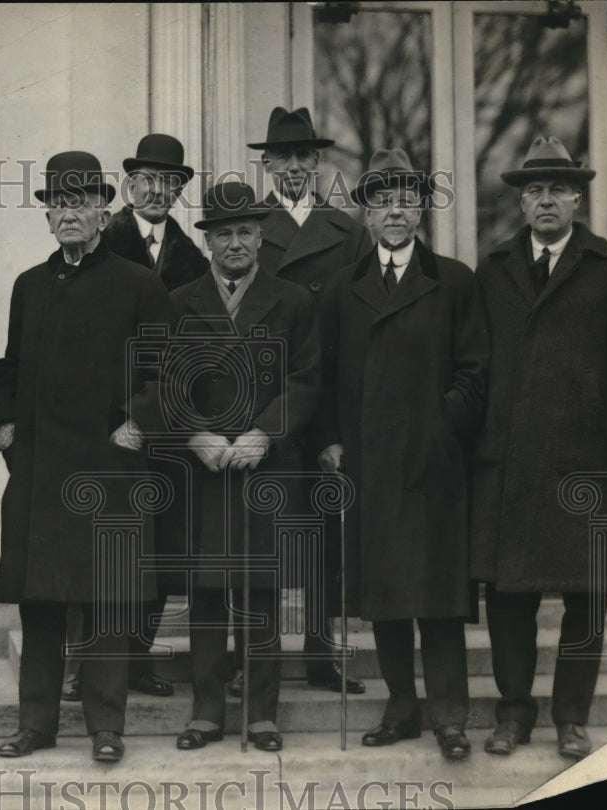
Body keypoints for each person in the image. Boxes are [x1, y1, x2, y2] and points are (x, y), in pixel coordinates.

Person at [471, 136, 607, 761]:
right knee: (508, 599)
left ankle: (572, 719)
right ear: (521, 204)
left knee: (586, 598)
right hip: (512, 466)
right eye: (534, 191)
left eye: (557, 190)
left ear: (576, 199)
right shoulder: (494, 270)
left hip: (590, 466)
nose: (545, 201)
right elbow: (473, 365)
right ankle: (513, 715)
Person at [0, 151, 175, 764]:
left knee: (107, 601)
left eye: (81, 202)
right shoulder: (29, 286)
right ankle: (36, 725)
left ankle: (106, 727)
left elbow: (166, 373)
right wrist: (7, 428)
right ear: (47, 215)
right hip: (41, 473)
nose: (69, 214)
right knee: (39, 600)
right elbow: (10, 369)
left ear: (103, 209)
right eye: (58, 204)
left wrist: (137, 426)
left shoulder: (138, 284)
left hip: (109, 469)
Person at [315, 148, 490, 761]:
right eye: (382, 200)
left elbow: (474, 371)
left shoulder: (454, 281)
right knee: (385, 595)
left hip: (435, 467)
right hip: (370, 465)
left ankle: (449, 717)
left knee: (438, 599)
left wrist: (442, 428)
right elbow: (327, 375)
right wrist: (332, 440)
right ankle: (401, 708)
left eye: (406, 199)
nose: (395, 211)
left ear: (422, 209)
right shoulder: (344, 289)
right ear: (365, 215)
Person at [170, 181, 320, 753]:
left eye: (245, 233)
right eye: (223, 234)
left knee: (261, 591)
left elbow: (306, 380)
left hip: (266, 468)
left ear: (261, 238)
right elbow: (163, 381)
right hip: (205, 467)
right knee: (206, 593)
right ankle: (207, 712)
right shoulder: (181, 302)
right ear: (207, 242)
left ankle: (261, 714)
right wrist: (194, 434)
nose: (234, 244)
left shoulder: (294, 300)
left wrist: (266, 432)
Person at [61, 134, 209, 703]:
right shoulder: (100, 240)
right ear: (127, 185)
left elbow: (189, 350)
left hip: (166, 423)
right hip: (101, 424)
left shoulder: (195, 257)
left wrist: (150, 415)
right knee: (96, 546)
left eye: (168, 181)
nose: (156, 189)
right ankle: (81, 666)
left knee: (161, 546)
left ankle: (136, 659)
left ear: (178, 190)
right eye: (145, 178)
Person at [237, 106, 371, 696]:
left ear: (318, 164)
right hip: (262, 402)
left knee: (323, 534)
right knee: (254, 535)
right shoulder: (245, 228)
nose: (293, 167)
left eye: (303, 157)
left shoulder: (347, 231)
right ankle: (249, 660)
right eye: (282, 158)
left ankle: (321, 652)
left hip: (324, 403)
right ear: (267, 165)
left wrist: (341, 421)